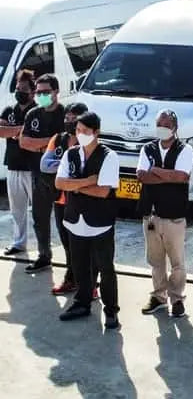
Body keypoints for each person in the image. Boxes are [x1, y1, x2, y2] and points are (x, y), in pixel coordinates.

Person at [54, 111, 121, 329]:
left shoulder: (108, 156)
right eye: (78, 130)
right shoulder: (70, 154)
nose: (80, 134)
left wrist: (75, 184)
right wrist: (88, 181)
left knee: (105, 267)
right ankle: (82, 303)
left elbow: (103, 191)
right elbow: (59, 183)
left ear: (96, 132)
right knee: (80, 266)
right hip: (75, 220)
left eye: (85, 131)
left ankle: (111, 310)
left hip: (100, 221)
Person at [135, 109, 193, 318]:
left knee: (177, 261)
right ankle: (159, 296)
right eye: (159, 124)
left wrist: (157, 171)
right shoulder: (147, 148)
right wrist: (165, 175)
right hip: (151, 214)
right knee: (155, 259)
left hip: (174, 215)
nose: (162, 128)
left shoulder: (185, 150)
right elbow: (142, 176)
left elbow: (180, 177)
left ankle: (177, 298)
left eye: (166, 125)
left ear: (175, 128)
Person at [39, 101, 98, 299]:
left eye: (74, 118)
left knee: (87, 245)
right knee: (67, 244)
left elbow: (91, 172)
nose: (70, 122)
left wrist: (69, 174)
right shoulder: (58, 139)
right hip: (61, 201)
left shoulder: (90, 145)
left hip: (84, 201)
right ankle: (71, 278)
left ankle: (90, 284)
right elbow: (45, 166)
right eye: (67, 118)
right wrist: (66, 166)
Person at [18, 73, 65, 273]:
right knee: (40, 219)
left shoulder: (66, 114)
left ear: (56, 92)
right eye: (38, 92)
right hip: (39, 177)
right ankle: (44, 255)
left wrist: (39, 146)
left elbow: (69, 143)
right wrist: (51, 142)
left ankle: (74, 264)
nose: (41, 96)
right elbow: (23, 142)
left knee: (65, 224)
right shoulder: (33, 114)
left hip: (63, 181)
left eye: (46, 92)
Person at [0, 69, 36, 256]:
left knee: (38, 212)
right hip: (13, 166)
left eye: (23, 89)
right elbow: (1, 131)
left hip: (32, 168)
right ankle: (18, 242)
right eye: (17, 88)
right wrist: (20, 131)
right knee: (17, 210)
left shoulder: (37, 111)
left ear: (32, 91)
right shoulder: (9, 110)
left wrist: (14, 131)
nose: (19, 92)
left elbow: (33, 135)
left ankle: (43, 249)